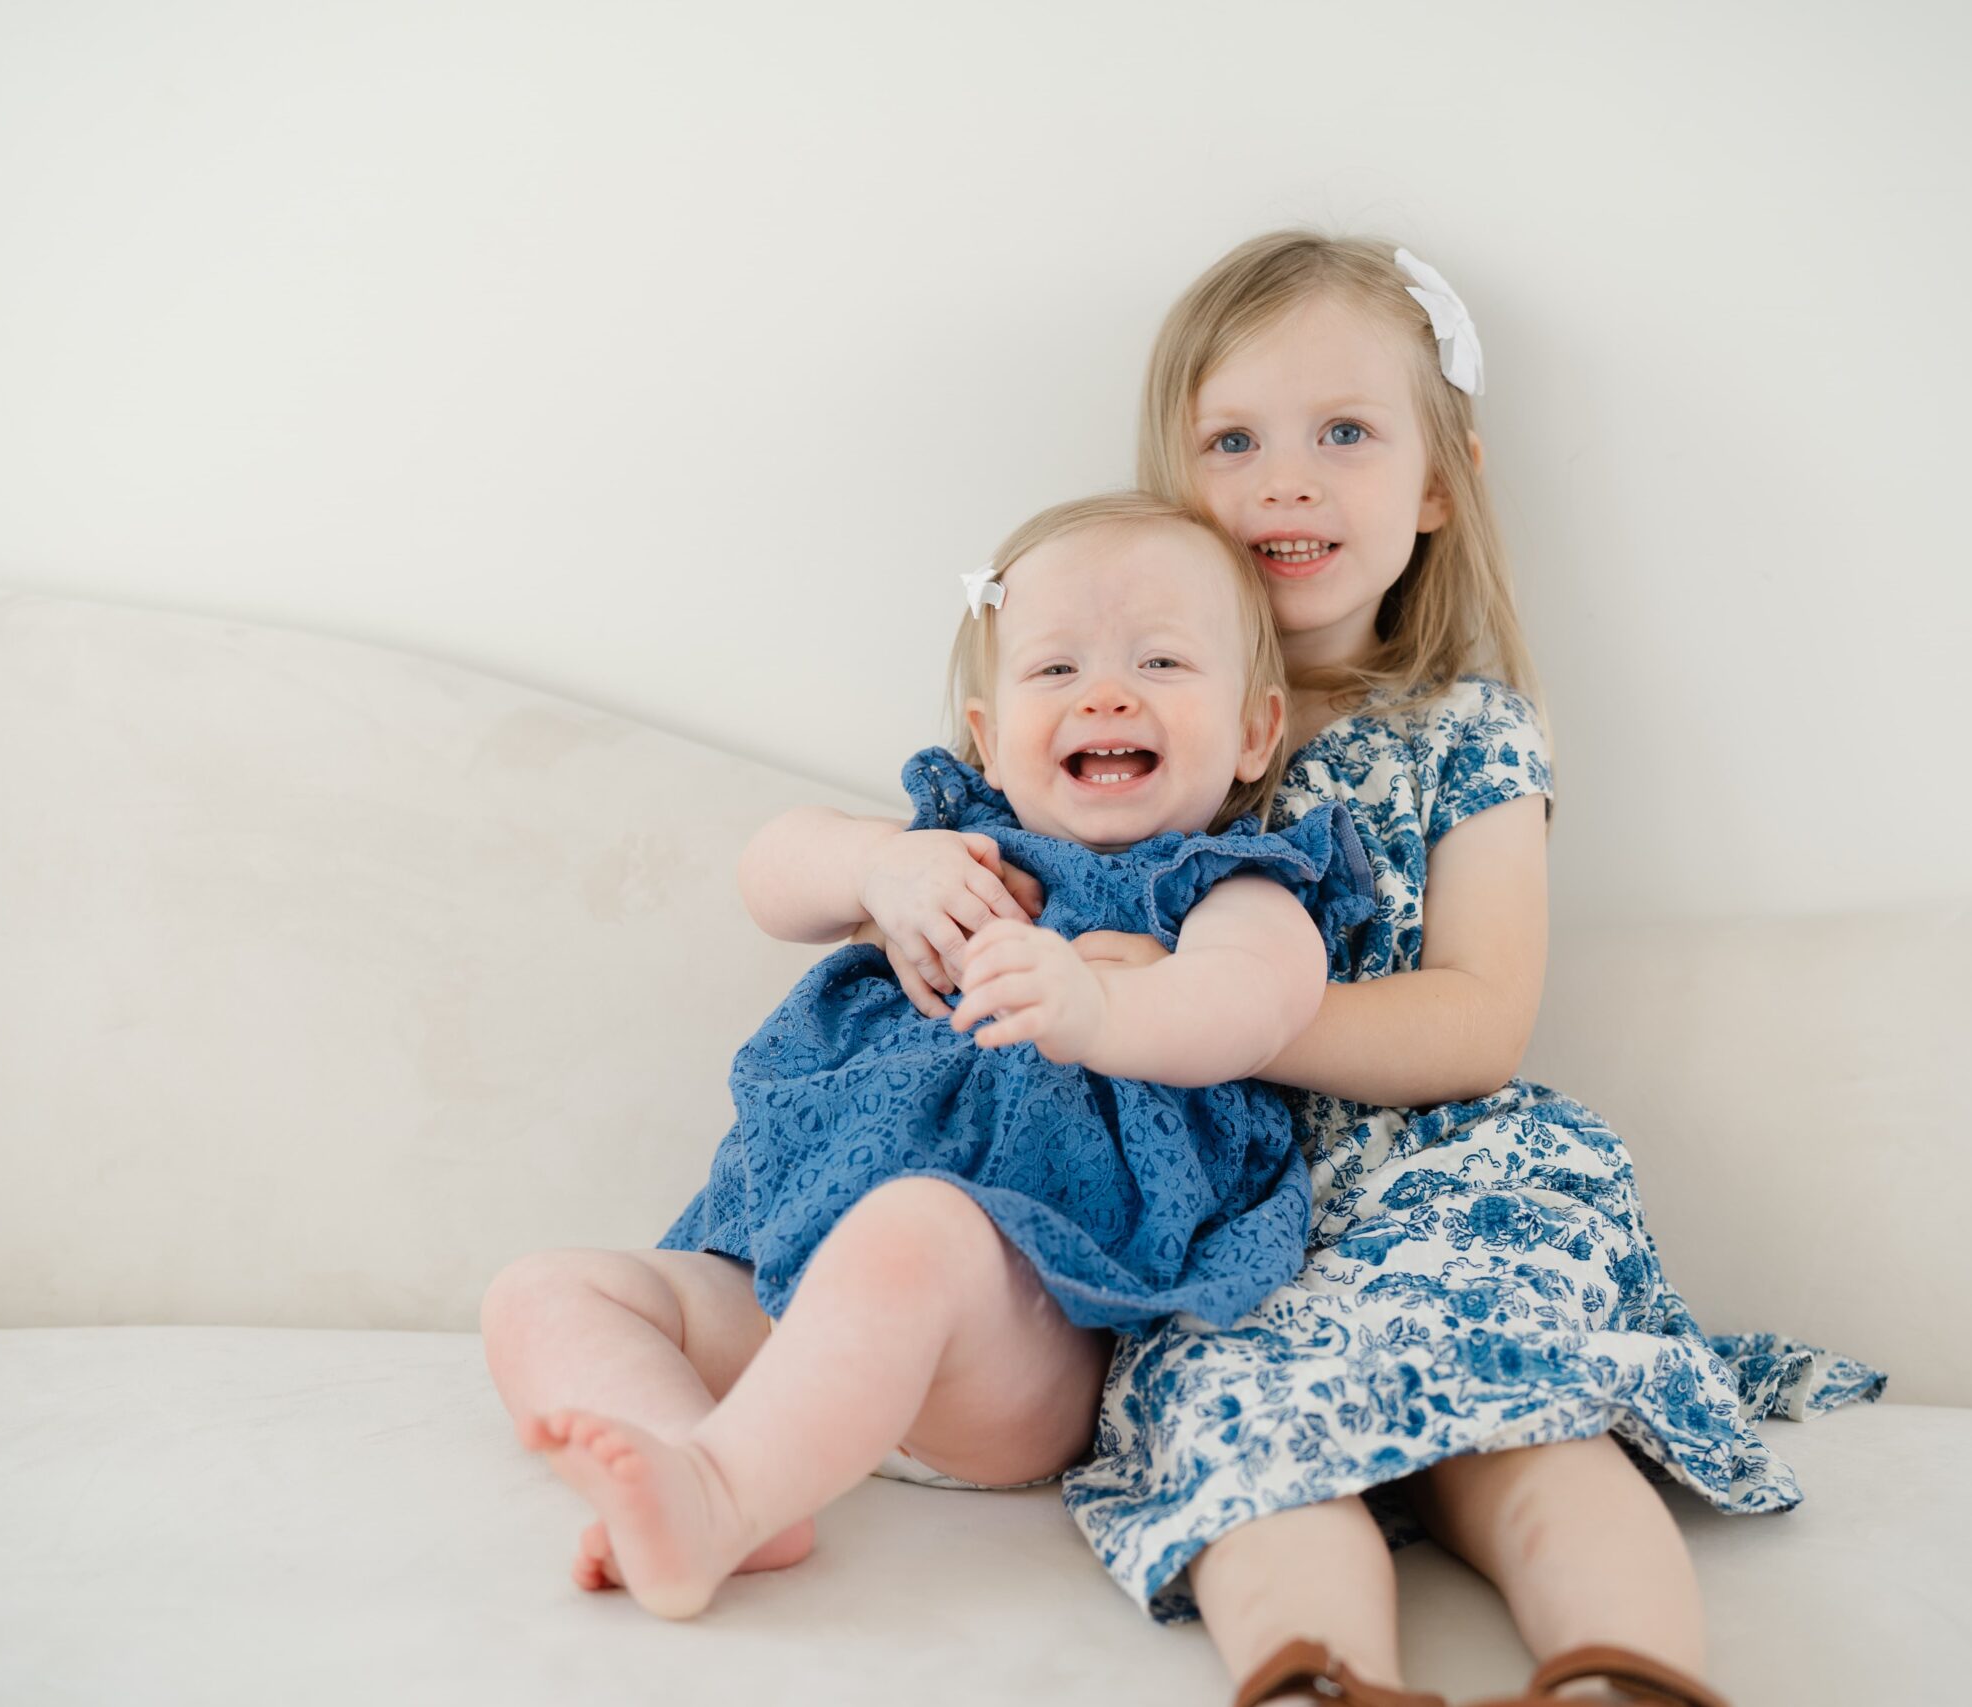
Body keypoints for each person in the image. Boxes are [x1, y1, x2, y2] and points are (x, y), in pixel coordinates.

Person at [869, 234, 1884, 1707]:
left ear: (1434, 481)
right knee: (1238, 1439)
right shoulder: (1127, 725)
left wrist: (1198, 1015)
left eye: (1345, 432)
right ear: (1176, 477)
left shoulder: (1465, 732)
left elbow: (1479, 1016)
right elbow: (930, 865)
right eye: (1236, 439)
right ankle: (1315, 1679)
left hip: (1444, 1170)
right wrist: (887, 872)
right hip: (1218, 1214)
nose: (1288, 478)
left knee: (1530, 1433)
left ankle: (1630, 1673)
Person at [478, 491, 1375, 1622]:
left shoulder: (1229, 884)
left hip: (1016, 1338)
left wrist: (1098, 1009)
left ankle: (718, 1496)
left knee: (915, 1227)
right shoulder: (948, 847)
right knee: (545, 1290)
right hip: (785, 1300)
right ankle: (706, 1461)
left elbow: (1255, 1003)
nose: (1107, 692)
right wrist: (872, 868)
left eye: (1159, 660)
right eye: (1055, 670)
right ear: (989, 735)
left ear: (1253, 731)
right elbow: (768, 871)